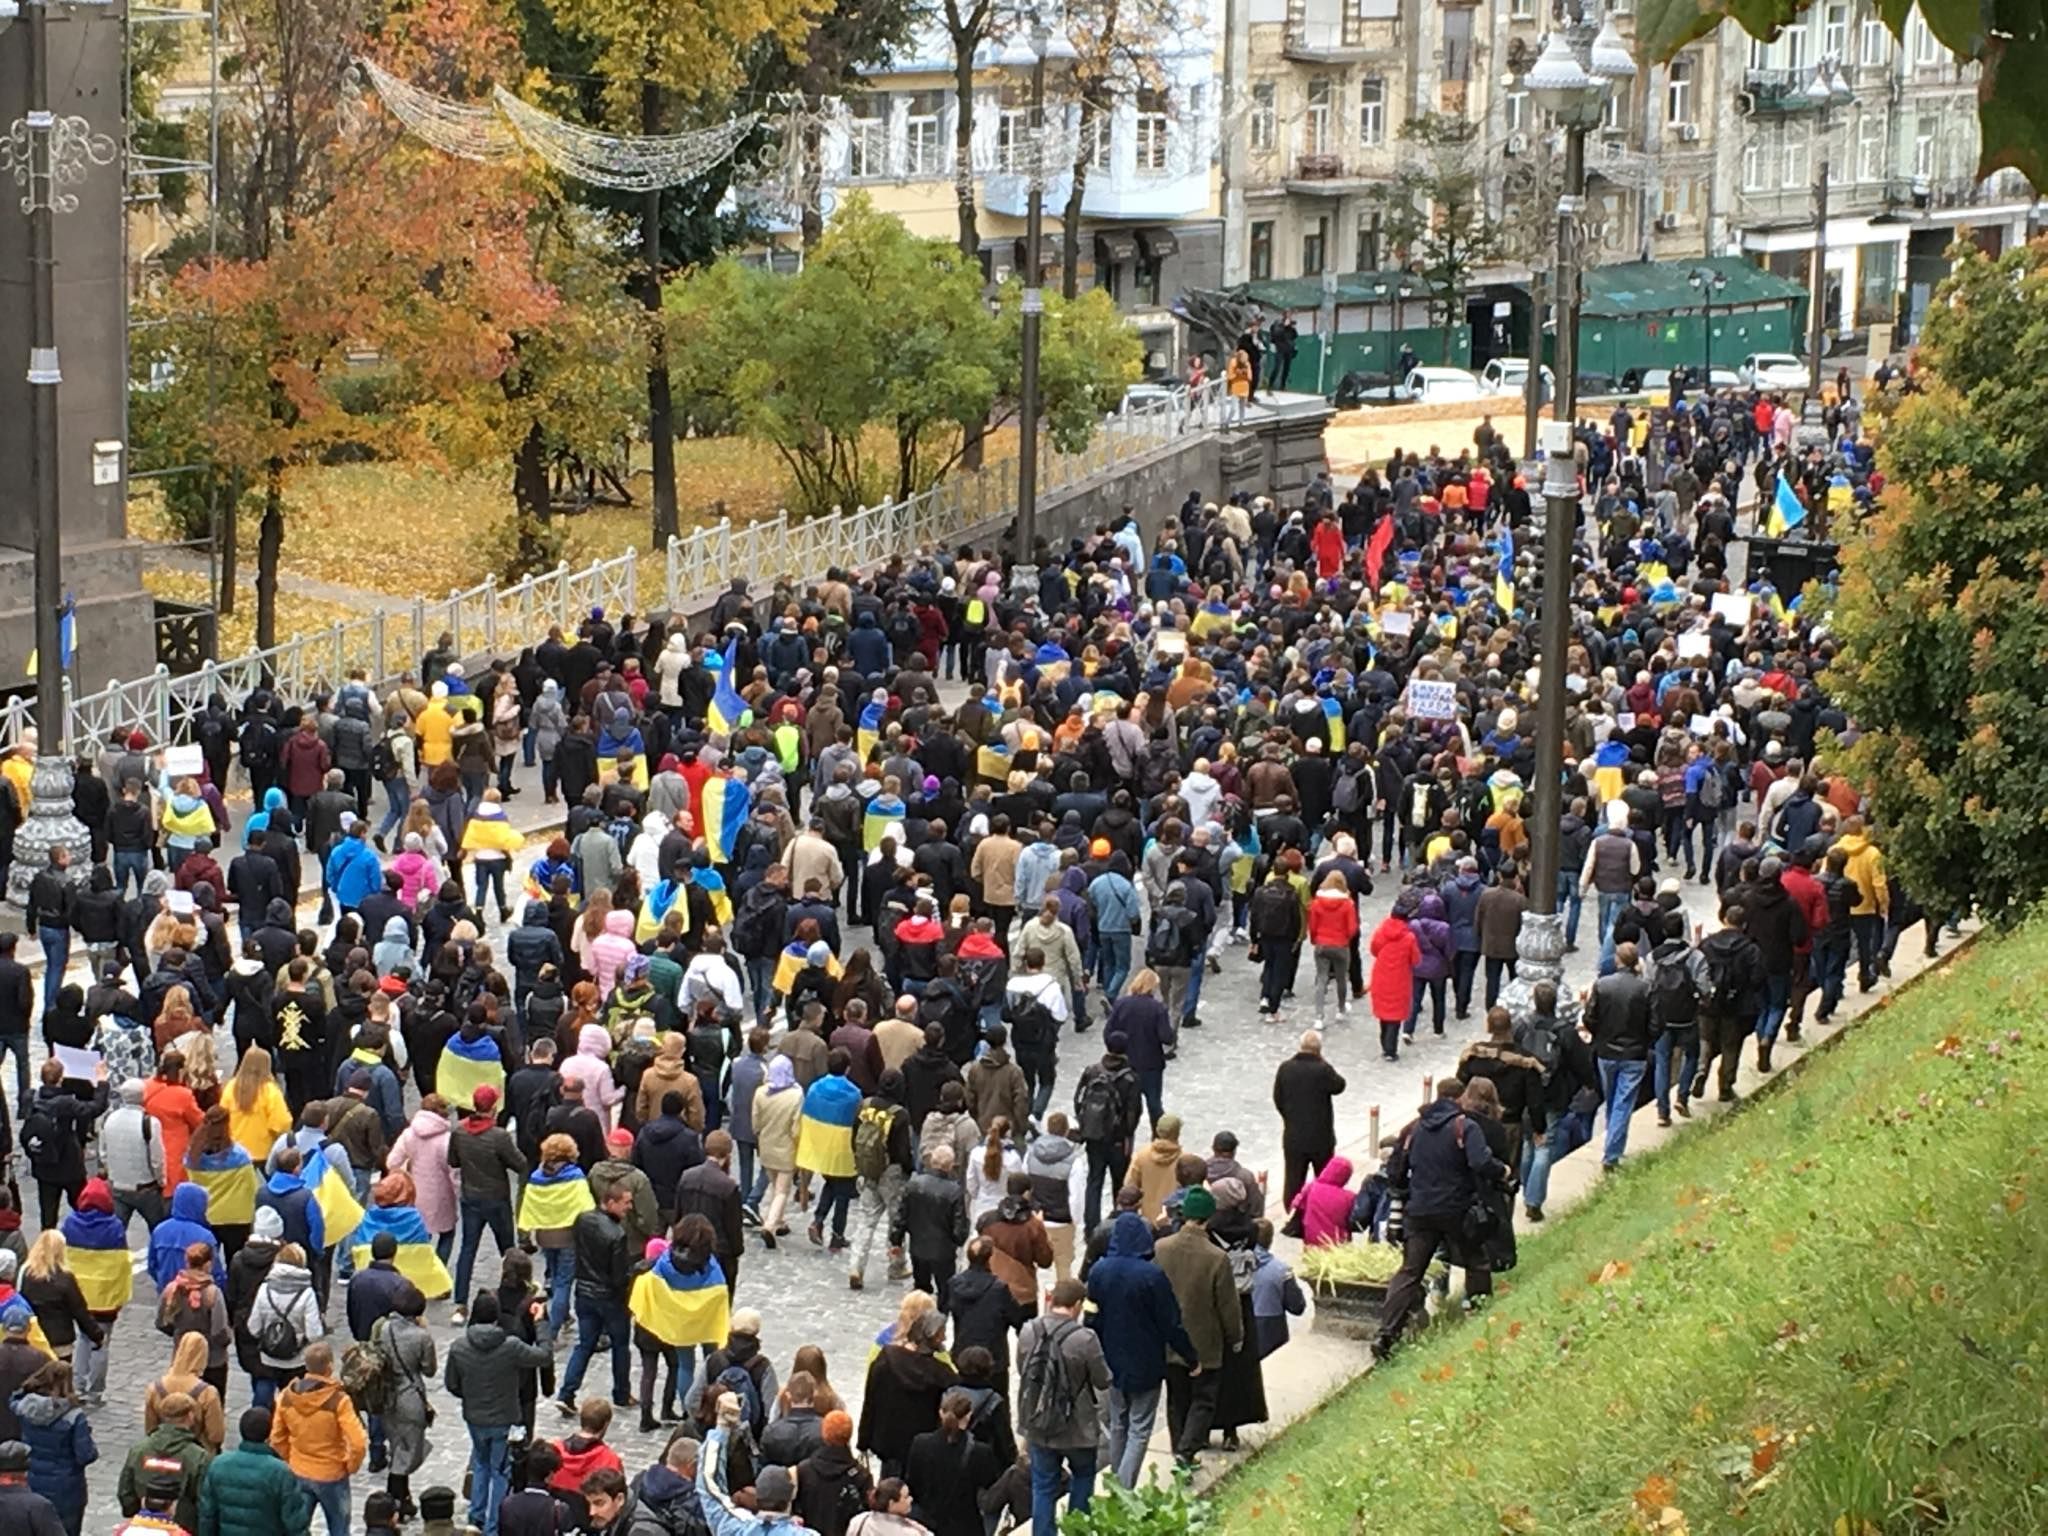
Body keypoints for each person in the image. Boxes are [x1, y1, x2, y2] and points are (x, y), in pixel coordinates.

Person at [1375, 1079, 1509, 1358]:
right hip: (1457, 1209)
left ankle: (1386, 1333)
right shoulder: (1464, 1126)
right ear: (1460, 1098)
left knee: (1410, 1272)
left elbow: (1396, 1171)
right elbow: (1480, 1162)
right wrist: (1503, 1172)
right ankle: (1478, 1311)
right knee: (1476, 1259)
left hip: (1420, 1210)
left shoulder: (1413, 1128)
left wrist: (1403, 1200)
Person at [445, 1291, 553, 1536]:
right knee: (501, 1471)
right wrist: (541, 1324)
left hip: (475, 1417)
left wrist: (471, 1396)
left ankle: (476, 1517)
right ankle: (493, 1525)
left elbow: (452, 1384)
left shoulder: (459, 1347)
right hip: (505, 1418)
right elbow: (544, 1356)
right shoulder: (510, 1347)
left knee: (481, 1464)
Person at [1151, 1187, 1240, 1468]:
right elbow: (1227, 1304)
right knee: (1203, 1398)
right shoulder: (1216, 1257)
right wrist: (1235, 1336)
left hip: (1169, 1339)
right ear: (1208, 1218)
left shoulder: (1161, 1249)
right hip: (1205, 1340)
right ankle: (1186, 1451)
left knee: (1177, 1398)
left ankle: (1179, 1446)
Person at [1015, 1277, 1109, 1533]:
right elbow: (1103, 1381)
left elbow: (1023, 1370)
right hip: (1078, 1427)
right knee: (1083, 1476)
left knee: (1043, 1485)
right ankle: (1077, 1529)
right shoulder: (1085, 1339)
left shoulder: (1028, 1330)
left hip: (1038, 1423)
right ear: (1077, 1304)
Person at [268, 1340, 366, 1536]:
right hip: (331, 1473)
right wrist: (350, 1465)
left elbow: (277, 1437)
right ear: (329, 1367)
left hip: (299, 1469)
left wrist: (290, 1459)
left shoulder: (287, 1396)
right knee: (339, 1528)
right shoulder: (338, 1400)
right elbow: (358, 1442)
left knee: (297, 1528)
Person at [554, 1182, 637, 1414]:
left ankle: (566, 1392)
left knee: (585, 1344)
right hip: (609, 1298)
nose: (629, 1207)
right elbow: (619, 1276)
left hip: (584, 1292)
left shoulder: (582, 1220)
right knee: (620, 1346)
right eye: (625, 1203)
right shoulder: (617, 1235)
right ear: (610, 1202)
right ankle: (621, 1393)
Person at [857, 1305, 956, 1480]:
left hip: (889, 1446)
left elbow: (871, 1400)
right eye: (941, 1333)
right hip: (922, 1450)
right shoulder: (941, 1373)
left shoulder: (887, 1359)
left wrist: (863, 1441)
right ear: (931, 1336)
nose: (945, 1337)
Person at [1582, 940, 1654, 1168]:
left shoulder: (1602, 985)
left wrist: (1599, 1035)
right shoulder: (1645, 988)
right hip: (1634, 1053)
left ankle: (1612, 1146)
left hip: (1606, 1052)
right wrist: (1646, 1041)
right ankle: (1612, 1151)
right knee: (1622, 1102)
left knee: (1613, 1098)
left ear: (1617, 960)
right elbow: (1654, 1023)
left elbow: (1590, 1018)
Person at [194, 1406, 314, 1536]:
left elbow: (207, 1514)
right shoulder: (281, 1472)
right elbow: (294, 1522)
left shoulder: (218, 1464)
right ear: (269, 1433)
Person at [9, 1358, 96, 1536]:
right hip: (66, 1487)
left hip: (33, 1479)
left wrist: (27, 1387)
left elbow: (14, 1399)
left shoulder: (26, 1406)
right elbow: (85, 1455)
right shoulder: (74, 1416)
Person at [118, 1390, 214, 1535]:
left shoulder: (139, 1450)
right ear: (190, 1416)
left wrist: (134, 1513)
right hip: (184, 1527)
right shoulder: (199, 1457)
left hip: (143, 1524)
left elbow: (125, 1491)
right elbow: (204, 1501)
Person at [1270, 1030, 1345, 1209]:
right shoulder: (1322, 1069)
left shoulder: (1285, 1068)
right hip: (1321, 1136)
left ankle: (1292, 1211)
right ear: (1319, 1049)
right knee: (1325, 1177)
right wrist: (1323, 1062)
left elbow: (1277, 1098)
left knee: (1293, 1178)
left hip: (1294, 1135)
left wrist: (1289, 1117)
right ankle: (1322, 1208)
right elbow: (1339, 1085)